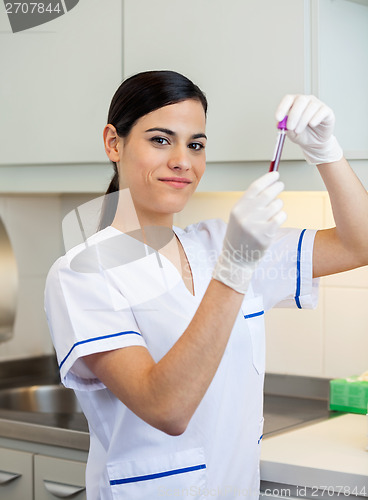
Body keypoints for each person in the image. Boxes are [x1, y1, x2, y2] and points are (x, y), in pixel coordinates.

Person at [44, 70, 368, 500]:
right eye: (161, 140)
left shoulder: (218, 243)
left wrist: (327, 153)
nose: (183, 160)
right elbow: (167, 407)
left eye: (195, 144)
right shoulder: (81, 274)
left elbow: (356, 244)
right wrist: (234, 269)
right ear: (113, 143)